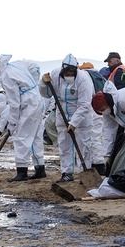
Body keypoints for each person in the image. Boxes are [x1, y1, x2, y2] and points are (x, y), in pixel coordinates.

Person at [0, 56, 46, 181]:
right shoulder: (14, 65)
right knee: (35, 137)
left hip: (29, 104)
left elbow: (14, 104)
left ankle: (22, 171)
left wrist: (12, 125)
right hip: (37, 100)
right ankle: (40, 169)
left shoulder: (5, 76)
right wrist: (33, 81)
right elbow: (34, 66)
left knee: (21, 137)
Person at [39, 54, 94, 182]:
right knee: (64, 145)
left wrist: (74, 123)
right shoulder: (55, 75)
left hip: (81, 115)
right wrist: (43, 83)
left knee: (83, 145)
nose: (69, 74)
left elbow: (85, 105)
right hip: (62, 113)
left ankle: (84, 172)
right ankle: (67, 172)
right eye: (66, 72)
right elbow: (46, 94)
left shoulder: (84, 79)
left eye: (71, 72)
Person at [91, 88, 125, 175]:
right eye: (100, 111)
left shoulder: (124, 101)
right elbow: (109, 132)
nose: (103, 112)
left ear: (108, 103)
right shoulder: (108, 111)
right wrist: (107, 154)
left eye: (103, 109)